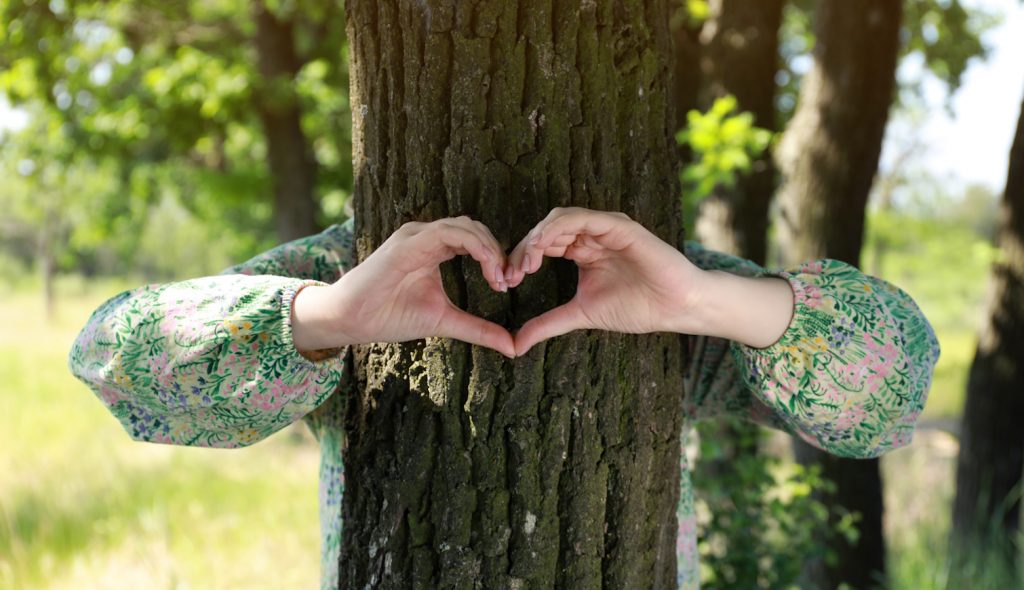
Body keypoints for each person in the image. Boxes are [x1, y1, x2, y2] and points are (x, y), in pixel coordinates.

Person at [68, 207, 939, 589]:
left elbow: (891, 397)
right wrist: (334, 313)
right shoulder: (349, 262)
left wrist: (701, 299)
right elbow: (115, 362)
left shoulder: (658, 276)